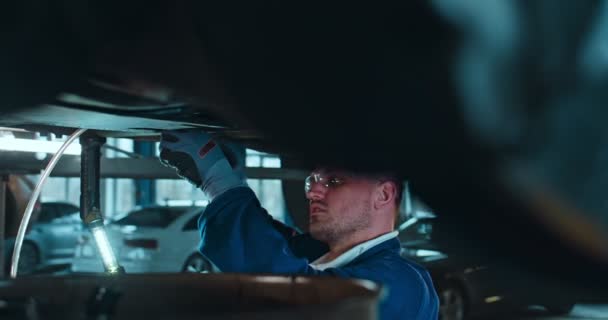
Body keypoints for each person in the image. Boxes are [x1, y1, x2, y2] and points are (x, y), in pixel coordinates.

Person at [159, 130, 439, 320]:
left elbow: (290, 292)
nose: (311, 192)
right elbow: (274, 243)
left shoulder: (404, 285)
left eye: (334, 181)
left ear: (384, 195)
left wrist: (217, 178)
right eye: (312, 182)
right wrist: (229, 181)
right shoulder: (322, 254)